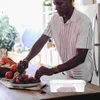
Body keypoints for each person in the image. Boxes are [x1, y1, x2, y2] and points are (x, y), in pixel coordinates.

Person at [17, 0, 94, 83]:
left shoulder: (83, 21)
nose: (56, 8)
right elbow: (42, 40)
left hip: (83, 77)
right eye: (55, 4)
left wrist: (52, 70)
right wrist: (27, 59)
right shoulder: (55, 19)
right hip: (67, 74)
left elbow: (81, 57)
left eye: (60, 4)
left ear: (69, 1)